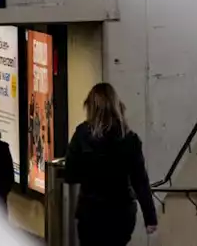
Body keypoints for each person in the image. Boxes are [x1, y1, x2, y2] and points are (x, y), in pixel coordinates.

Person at [64, 83, 157, 245]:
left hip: (91, 212)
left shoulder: (82, 134)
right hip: (121, 213)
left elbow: (70, 174)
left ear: (90, 107)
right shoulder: (129, 139)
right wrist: (150, 217)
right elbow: (140, 181)